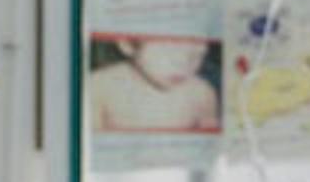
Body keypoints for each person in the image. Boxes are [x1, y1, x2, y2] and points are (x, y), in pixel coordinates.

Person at [88, 35, 223, 136]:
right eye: (169, 53)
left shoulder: (202, 93)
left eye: (195, 57)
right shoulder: (99, 88)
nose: (182, 67)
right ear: (127, 44)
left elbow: (208, 150)